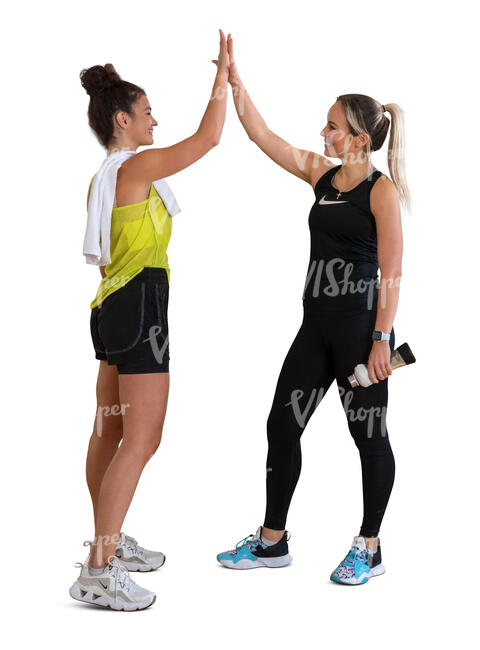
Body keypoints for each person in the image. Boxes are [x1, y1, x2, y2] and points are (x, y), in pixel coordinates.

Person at [216, 34, 410, 585]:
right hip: (315, 330)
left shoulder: (381, 191)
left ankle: (368, 548)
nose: (321, 133)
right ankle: (272, 541)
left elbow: (392, 273)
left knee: (369, 440)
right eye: (325, 124)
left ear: (359, 138)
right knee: (282, 425)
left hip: (360, 334)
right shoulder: (319, 176)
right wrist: (235, 83)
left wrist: (381, 340)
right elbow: (262, 136)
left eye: (332, 127)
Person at [69, 29, 230, 611]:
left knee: (109, 432)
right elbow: (209, 138)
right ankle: (100, 567)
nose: (154, 122)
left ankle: (106, 542)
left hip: (113, 308)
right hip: (138, 310)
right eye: (147, 113)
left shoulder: (107, 175)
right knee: (142, 438)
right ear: (122, 120)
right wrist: (223, 82)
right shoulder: (135, 170)